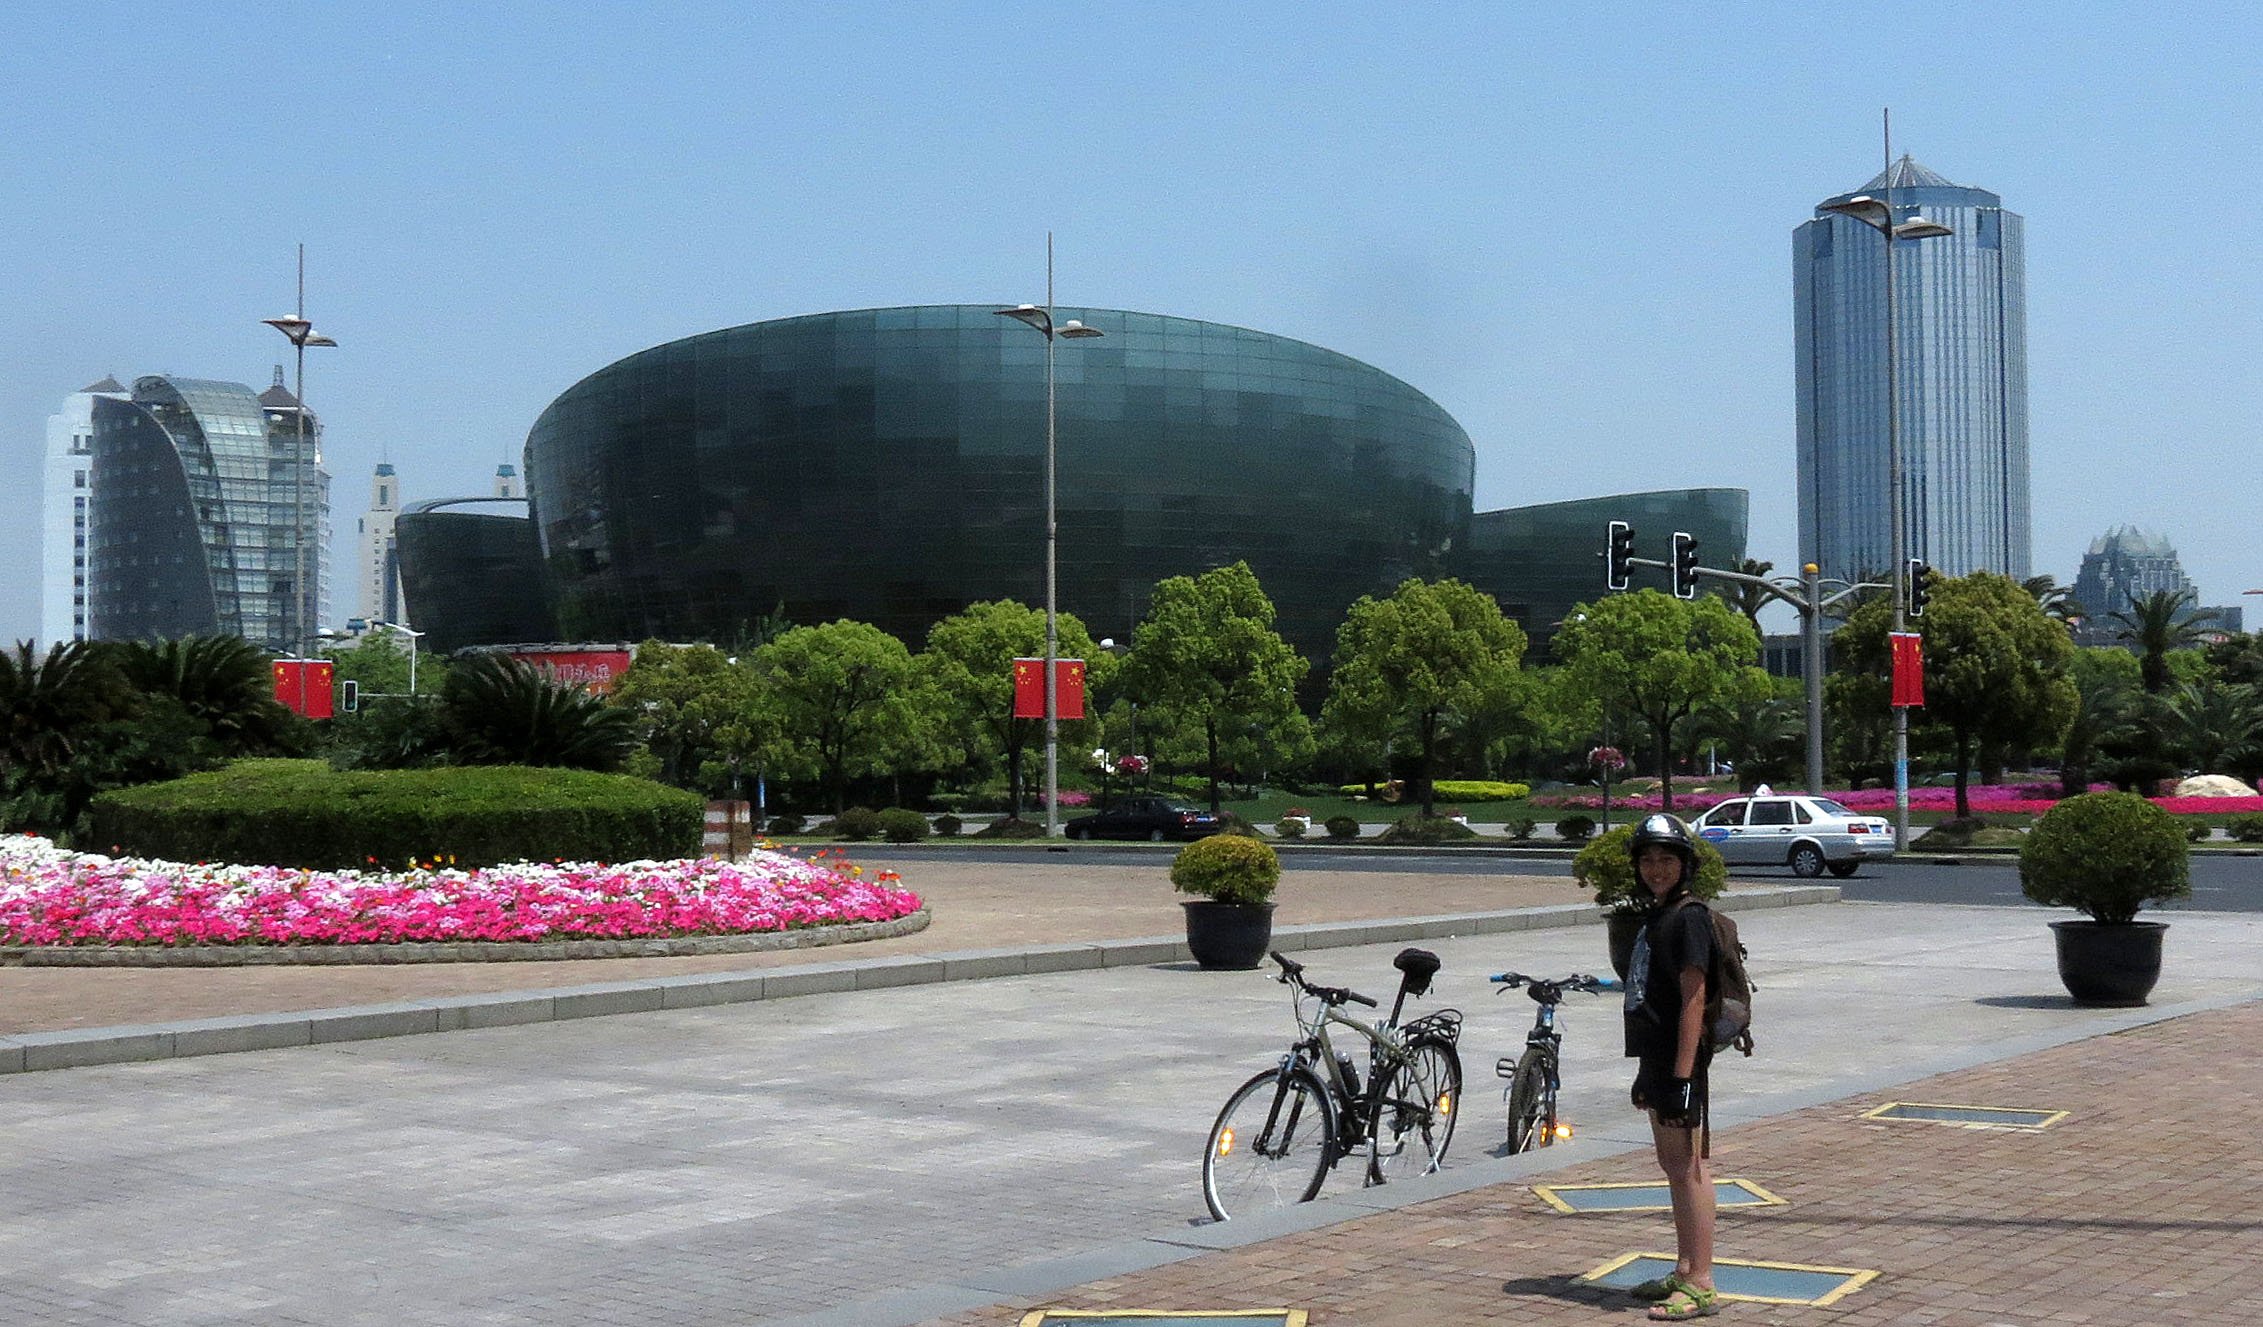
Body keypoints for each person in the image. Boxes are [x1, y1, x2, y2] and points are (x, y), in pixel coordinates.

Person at [1622, 813, 1720, 1320]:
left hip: (1681, 1063)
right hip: (1658, 1057)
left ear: (1685, 865)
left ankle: (1702, 1280)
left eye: (1666, 860)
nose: (1656, 869)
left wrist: (1683, 1078)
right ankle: (1683, 1268)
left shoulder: (1689, 918)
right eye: (1648, 860)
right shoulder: (1657, 915)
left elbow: (1694, 1000)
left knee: (1690, 1167)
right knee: (1672, 1165)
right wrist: (1648, 1071)